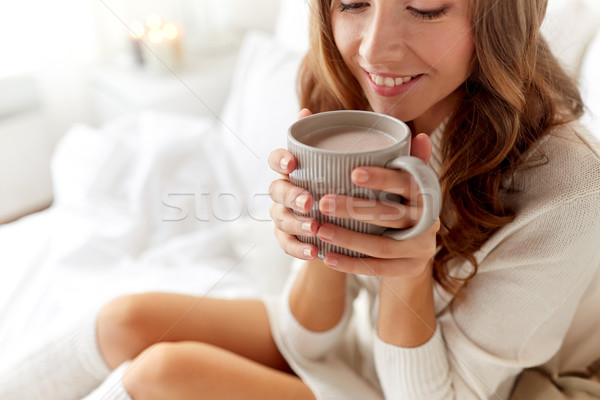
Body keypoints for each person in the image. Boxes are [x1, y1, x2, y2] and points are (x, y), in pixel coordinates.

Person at [1, 0, 599, 399]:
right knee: (122, 318)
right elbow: (307, 337)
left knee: (164, 373)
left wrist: (406, 271)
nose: (374, 50)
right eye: (353, 3)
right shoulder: (350, 96)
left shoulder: (571, 189)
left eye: (423, 6)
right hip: (354, 348)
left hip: (423, 386)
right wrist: (316, 245)